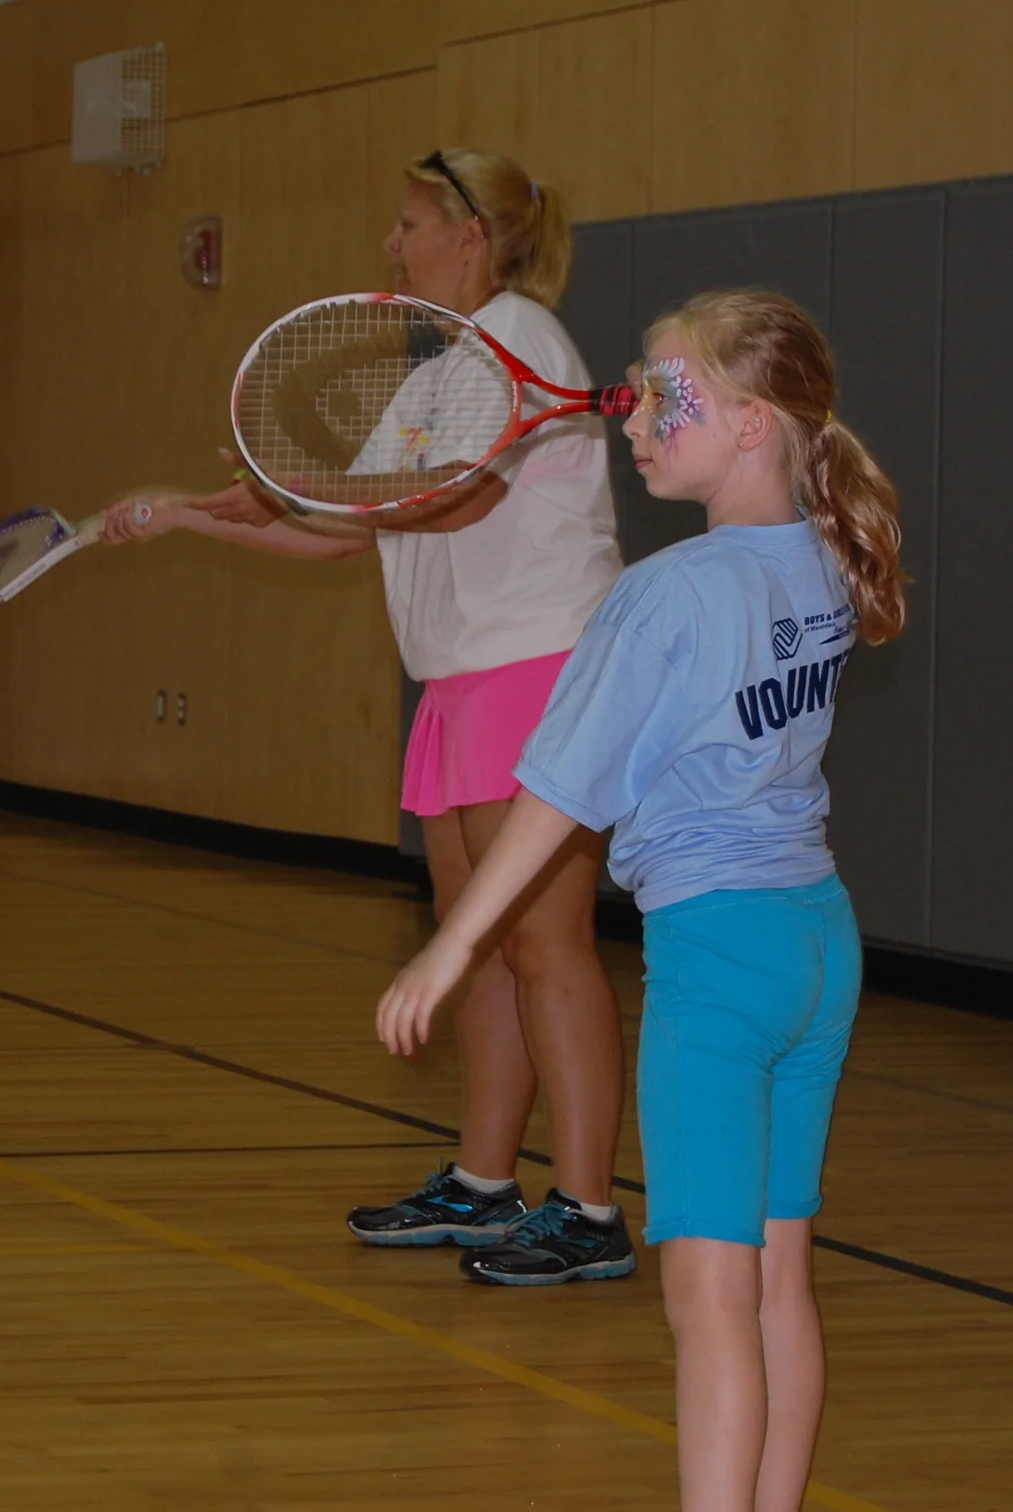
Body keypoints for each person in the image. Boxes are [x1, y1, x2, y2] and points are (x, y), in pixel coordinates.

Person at [373, 288, 907, 1509]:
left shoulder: (664, 595)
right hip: (816, 943)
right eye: (634, 387)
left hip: (717, 958)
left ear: (755, 423)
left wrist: (449, 950)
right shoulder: (826, 553)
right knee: (778, 1281)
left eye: (669, 397)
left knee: (708, 1303)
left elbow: (552, 799)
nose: (633, 418)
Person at [101, 148, 634, 1285]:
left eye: (406, 225)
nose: (390, 247)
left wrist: (308, 489)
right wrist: (200, 517)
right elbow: (362, 525)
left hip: (533, 670)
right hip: (457, 678)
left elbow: (452, 500)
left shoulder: (521, 344)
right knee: (475, 945)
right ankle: (487, 1186)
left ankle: (587, 1209)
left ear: (470, 237)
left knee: (544, 945)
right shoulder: (438, 365)